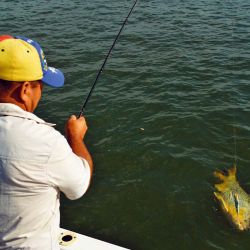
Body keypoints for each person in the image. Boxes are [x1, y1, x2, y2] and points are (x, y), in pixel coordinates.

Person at [0, 35, 93, 249]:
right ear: (24, 90)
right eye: (39, 85)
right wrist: (75, 138)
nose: (41, 92)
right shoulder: (44, 142)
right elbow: (79, 185)